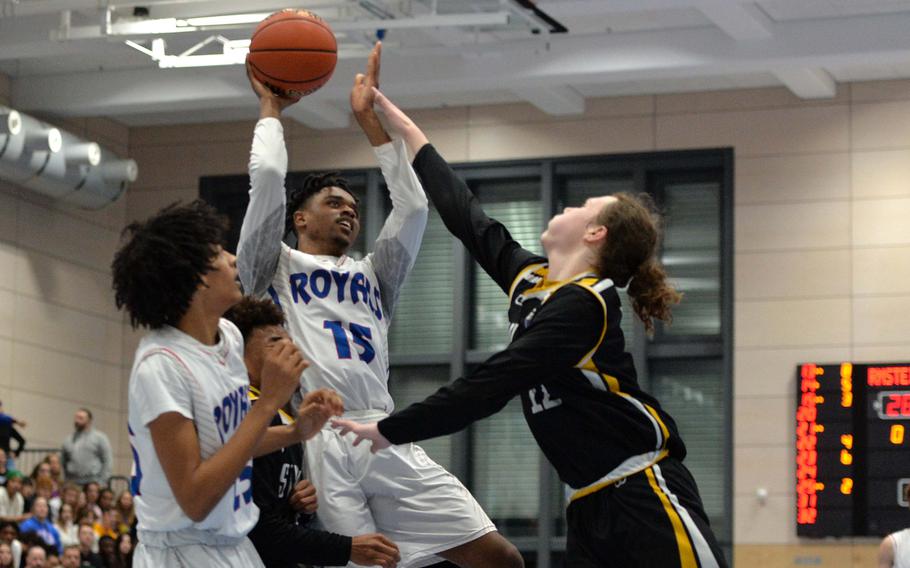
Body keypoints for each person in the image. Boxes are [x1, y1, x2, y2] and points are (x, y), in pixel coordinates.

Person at [332, 89, 728, 568]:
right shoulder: (533, 281)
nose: (570, 205)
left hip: (643, 490)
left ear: (595, 232)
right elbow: (465, 216)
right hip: (587, 503)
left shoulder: (587, 302)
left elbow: (497, 380)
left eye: (585, 204)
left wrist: (390, 430)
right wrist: (400, 123)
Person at [237, 43, 521, 568]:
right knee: (369, 563)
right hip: (315, 438)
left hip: (380, 431)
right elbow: (269, 181)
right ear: (299, 219)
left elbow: (413, 205)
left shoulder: (375, 274)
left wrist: (370, 122)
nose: (348, 213)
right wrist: (271, 110)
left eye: (352, 207)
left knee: (500, 557)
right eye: (333, 204)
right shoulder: (269, 266)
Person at [112, 199, 343, 567]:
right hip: (182, 550)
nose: (234, 259)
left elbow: (229, 444)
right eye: (219, 254)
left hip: (234, 542)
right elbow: (196, 498)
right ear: (196, 277)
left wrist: (296, 431)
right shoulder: (160, 366)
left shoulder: (230, 338)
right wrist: (268, 404)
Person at [226, 296, 400, 567]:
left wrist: (296, 507)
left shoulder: (285, 419)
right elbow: (259, 530)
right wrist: (348, 547)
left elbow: (270, 513)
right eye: (275, 342)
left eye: (292, 343)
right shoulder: (245, 413)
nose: (291, 350)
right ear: (238, 354)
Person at [61, 409, 113, 486]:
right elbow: (63, 462)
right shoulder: (68, 440)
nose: (77, 421)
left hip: (92, 482)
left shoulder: (100, 438)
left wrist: (102, 482)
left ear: (89, 421)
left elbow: (107, 460)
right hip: (72, 482)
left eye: (80, 418)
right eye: (76, 418)